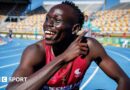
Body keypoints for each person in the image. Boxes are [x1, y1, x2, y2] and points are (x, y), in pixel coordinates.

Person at [7, 1, 130, 90]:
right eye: (47, 19)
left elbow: (123, 80)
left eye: (57, 20)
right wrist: (63, 58)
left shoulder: (89, 47)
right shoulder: (35, 51)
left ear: (75, 28)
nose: (47, 24)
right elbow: (13, 87)